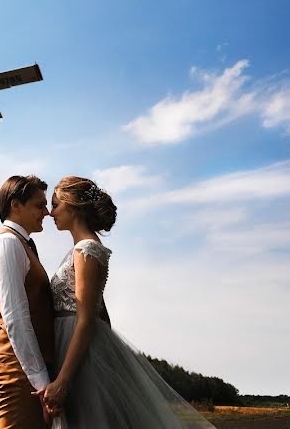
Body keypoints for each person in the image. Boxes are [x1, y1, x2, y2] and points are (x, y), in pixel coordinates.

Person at [37, 176, 215, 428]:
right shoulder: (84, 248)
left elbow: (87, 319)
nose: (50, 212)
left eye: (55, 205)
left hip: (76, 346)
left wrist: (63, 381)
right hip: (78, 346)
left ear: (73, 205)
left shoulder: (85, 250)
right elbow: (101, 313)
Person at [0, 175, 57, 429]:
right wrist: (41, 382)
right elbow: (15, 317)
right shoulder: (7, 244)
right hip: (18, 370)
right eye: (39, 205)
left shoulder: (22, 244)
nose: (47, 212)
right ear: (16, 205)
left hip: (28, 368)